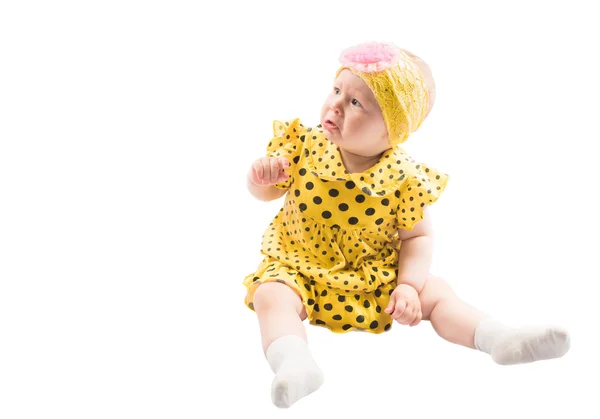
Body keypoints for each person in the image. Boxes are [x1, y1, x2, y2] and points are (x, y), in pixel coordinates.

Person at [242, 41, 570, 408]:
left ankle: (498, 337)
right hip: (300, 264)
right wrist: (261, 178)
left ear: (392, 131)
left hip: (378, 273)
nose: (335, 104)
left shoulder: (403, 177)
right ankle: (294, 362)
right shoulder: (303, 144)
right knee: (270, 294)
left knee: (438, 293)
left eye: (355, 103)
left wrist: (410, 286)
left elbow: (418, 236)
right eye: (337, 90)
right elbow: (267, 193)